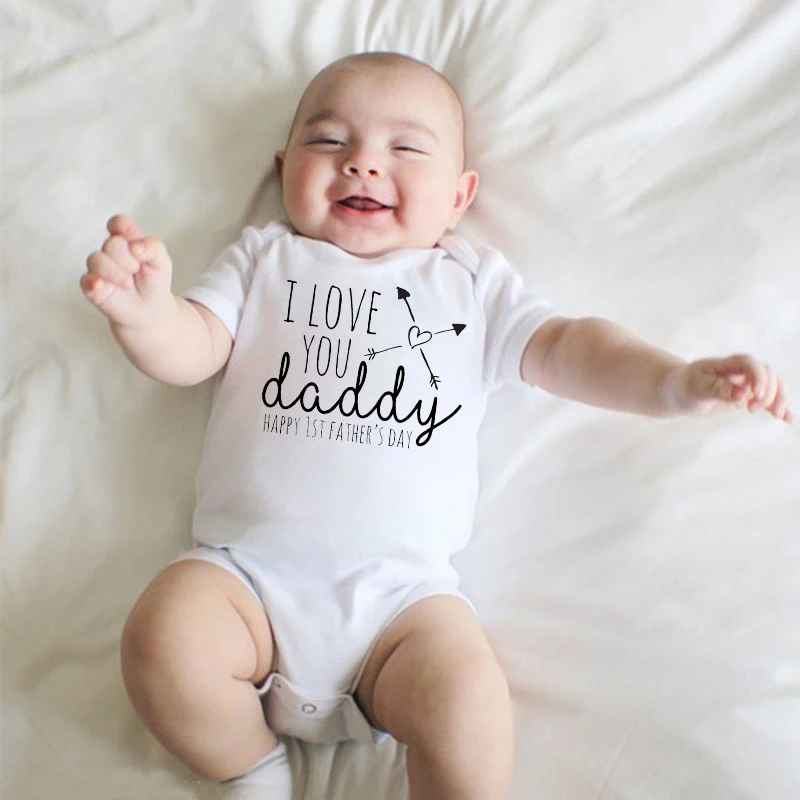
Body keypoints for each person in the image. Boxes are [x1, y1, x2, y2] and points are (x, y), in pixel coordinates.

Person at [79, 51, 793, 800]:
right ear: (283, 168)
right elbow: (193, 348)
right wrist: (147, 315)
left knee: (470, 707)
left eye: (406, 148)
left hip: (402, 612)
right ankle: (250, 769)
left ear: (459, 196)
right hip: (245, 583)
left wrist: (674, 381)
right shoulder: (266, 260)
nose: (362, 164)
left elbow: (572, 347)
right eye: (328, 141)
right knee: (161, 640)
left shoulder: (472, 286)